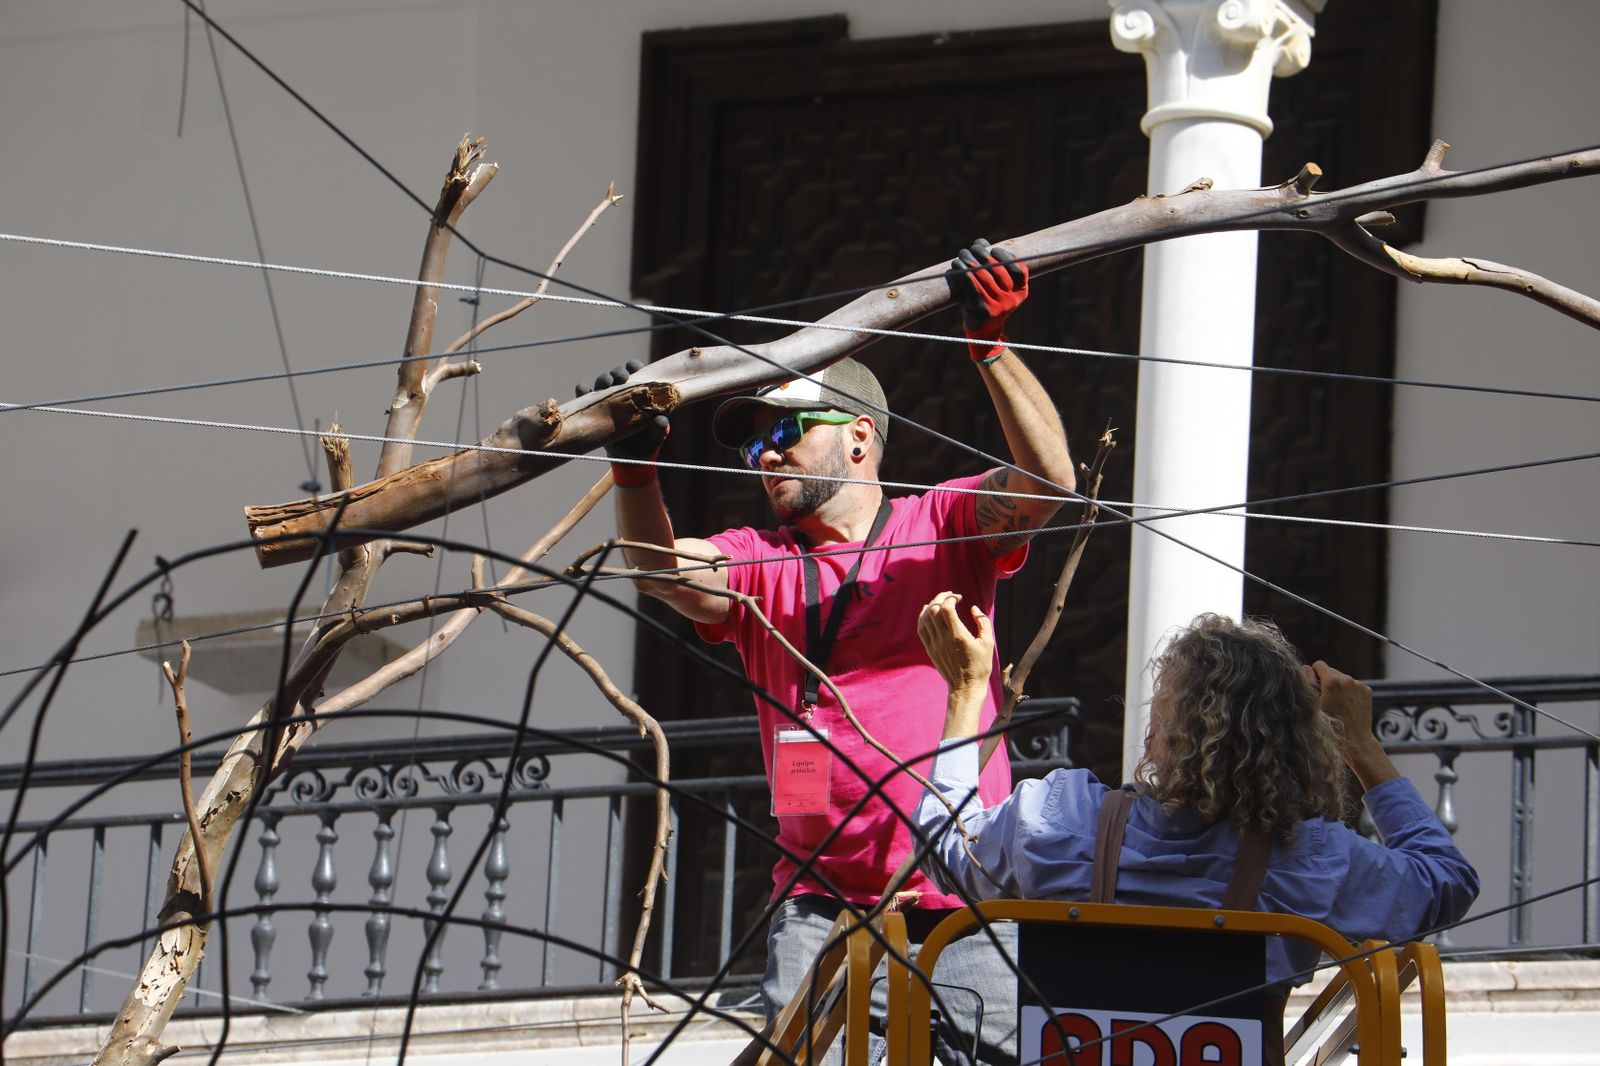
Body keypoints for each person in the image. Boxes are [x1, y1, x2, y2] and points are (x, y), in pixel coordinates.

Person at [588, 240, 1075, 1063]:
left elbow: (1050, 484)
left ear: (858, 438)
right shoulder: (762, 560)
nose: (765, 455)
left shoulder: (943, 524)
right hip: (818, 909)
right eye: (753, 444)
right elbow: (663, 574)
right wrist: (636, 474)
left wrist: (989, 347)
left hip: (960, 898)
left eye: (783, 431)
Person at [912, 594, 1480, 1008]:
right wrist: (1362, 745)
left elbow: (942, 846)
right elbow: (1448, 884)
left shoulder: (1060, 819)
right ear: (1298, 739)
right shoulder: (1315, 860)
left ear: (1162, 726)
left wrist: (966, 690)